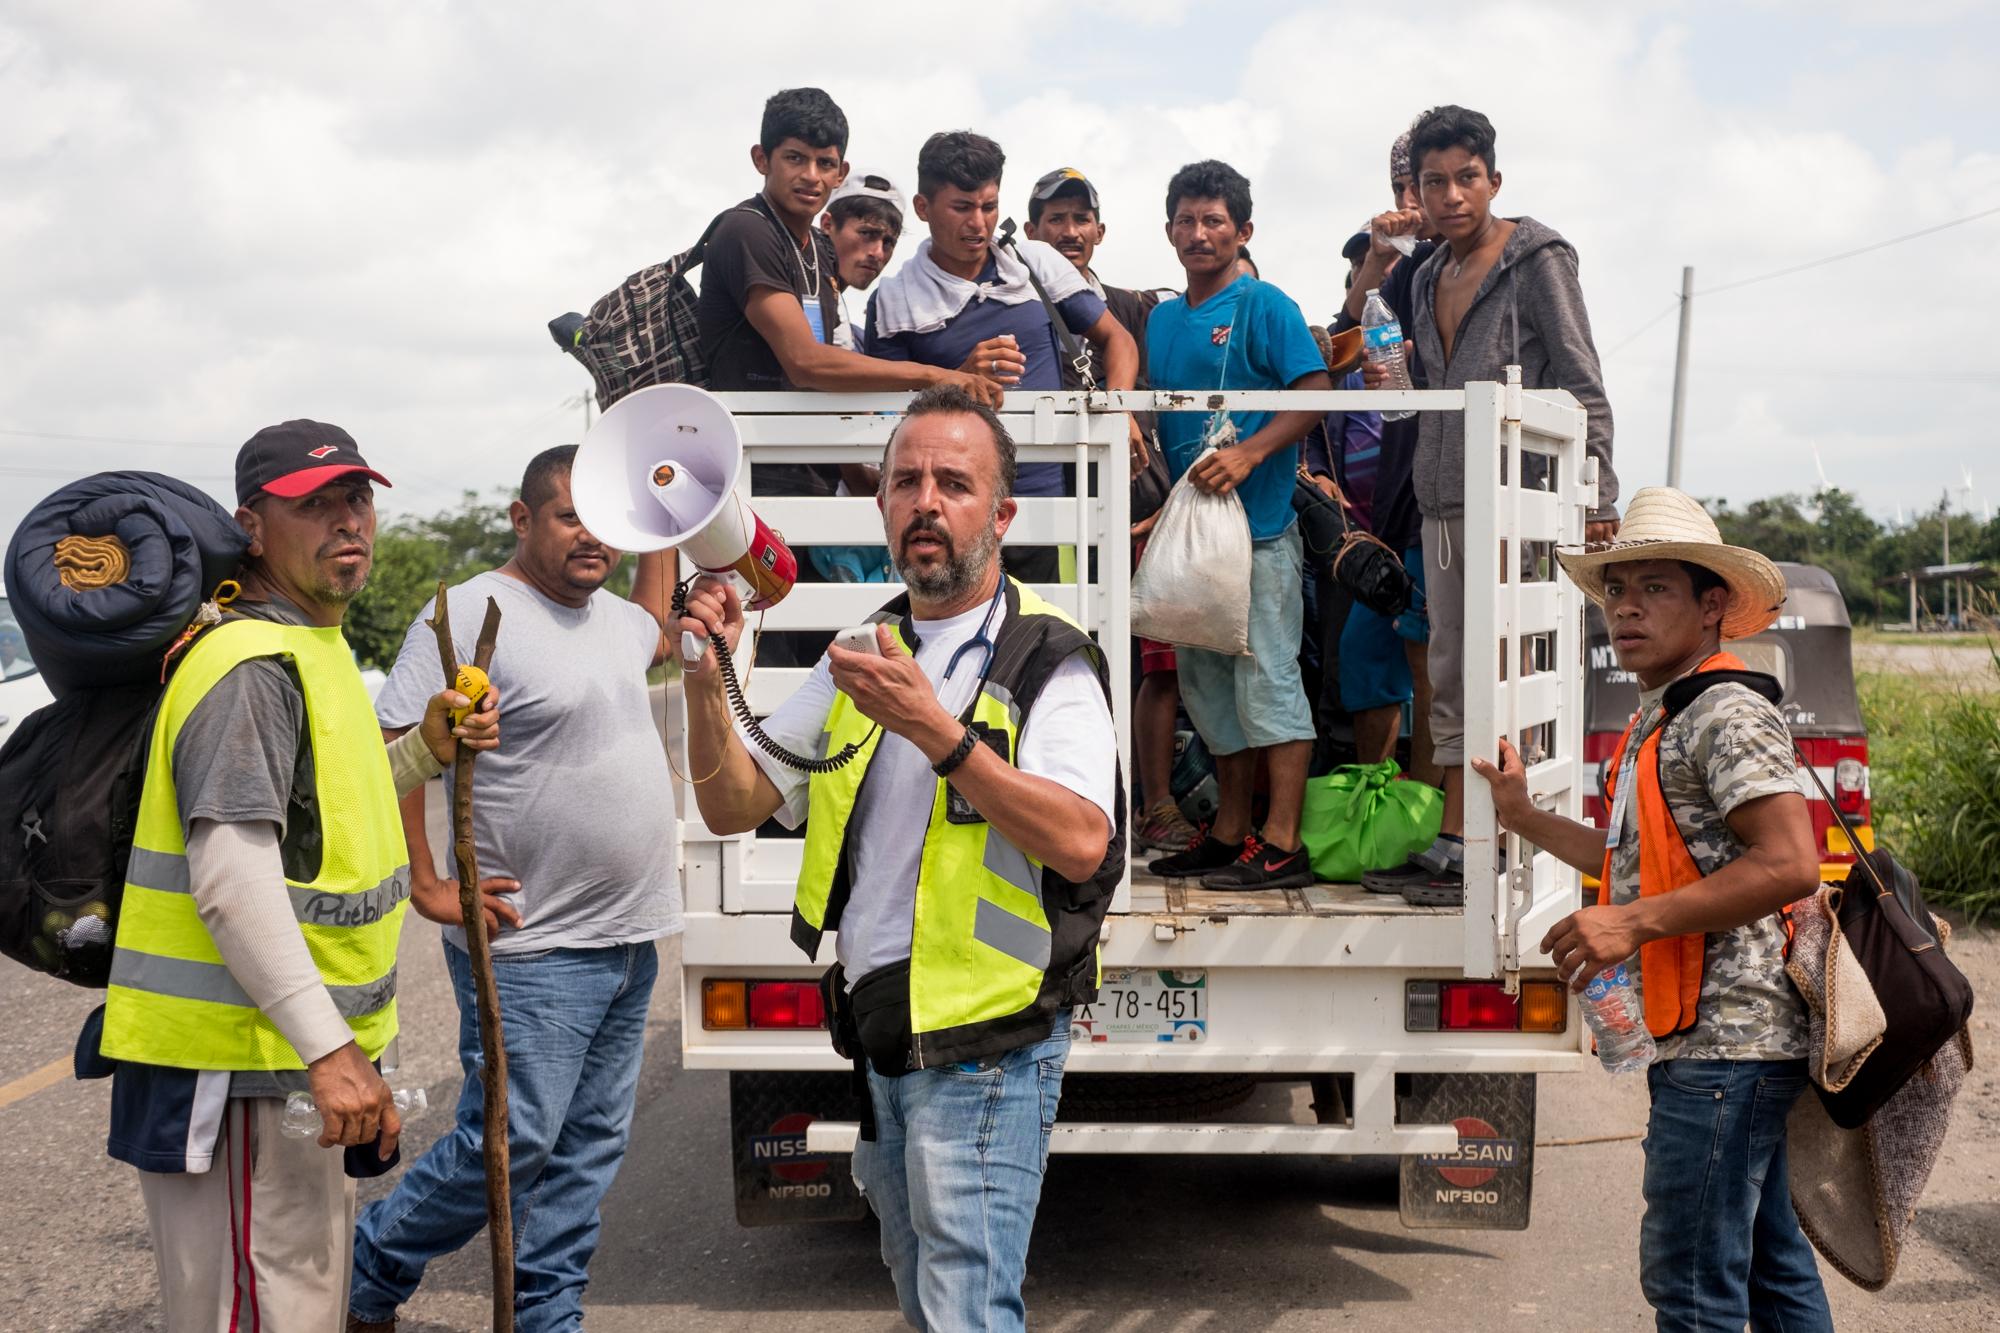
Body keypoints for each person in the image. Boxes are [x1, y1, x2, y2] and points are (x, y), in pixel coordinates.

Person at [678, 384, 1123, 1332]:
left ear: (1000, 515)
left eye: (954, 483)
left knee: (964, 1305)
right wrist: (703, 673)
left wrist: (938, 731)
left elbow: (1086, 839)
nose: (926, 501)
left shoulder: (1050, 657)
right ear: (879, 503)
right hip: (885, 1029)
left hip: (989, 1037)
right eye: (905, 480)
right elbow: (731, 803)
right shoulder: (861, 649)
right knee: (927, 1301)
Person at [93, 422, 499, 1331]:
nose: (346, 521)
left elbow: (309, 823)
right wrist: (331, 1051)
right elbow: (232, 876)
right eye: (312, 504)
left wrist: (423, 752)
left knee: (301, 1301)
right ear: (251, 526)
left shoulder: (314, 650)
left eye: (356, 498)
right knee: (255, 1311)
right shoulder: (249, 665)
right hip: (237, 1069)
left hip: (283, 1061)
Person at [1471, 487, 1830, 1331]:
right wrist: (1526, 817)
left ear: (1713, 607)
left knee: (1693, 1290)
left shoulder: (1724, 710)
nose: (1626, 609)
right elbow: (1634, 864)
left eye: (1655, 589)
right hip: (1719, 1050)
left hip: (1729, 1050)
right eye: (1617, 590)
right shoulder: (1665, 710)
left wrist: (1627, 924)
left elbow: (1790, 862)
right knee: (1772, 1275)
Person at [347, 447, 679, 1333]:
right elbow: (393, 746)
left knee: (590, 1147)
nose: (588, 535)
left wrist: (665, 511)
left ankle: (548, 1314)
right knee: (513, 1138)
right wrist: (428, 881)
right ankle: (370, 1264)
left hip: (627, 935)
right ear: (521, 518)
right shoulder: (465, 614)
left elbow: (656, 620)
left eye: (602, 518)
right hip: (529, 943)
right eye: (569, 515)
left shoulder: (613, 617)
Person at [1387, 105, 1621, 902]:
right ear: (1415, 193)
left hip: (1520, 503)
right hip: (1444, 501)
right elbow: (1424, 393)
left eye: (1465, 178)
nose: (1451, 196)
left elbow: (1582, 379)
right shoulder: (1424, 275)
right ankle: (1458, 835)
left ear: (1494, 179)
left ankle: (1496, 844)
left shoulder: (1537, 259)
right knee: (1450, 674)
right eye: (1434, 183)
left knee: (1509, 673)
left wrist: (1599, 495)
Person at [1142, 160, 1332, 890]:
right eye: (1186, 220)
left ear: (1242, 230)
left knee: (1268, 680)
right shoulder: (1161, 318)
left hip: (1258, 531)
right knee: (1206, 683)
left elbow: (1316, 392)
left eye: (1214, 220)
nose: (1199, 233)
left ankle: (1281, 842)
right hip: (1193, 538)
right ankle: (1229, 830)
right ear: (1169, 232)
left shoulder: (1266, 304)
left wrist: (1252, 452)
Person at [864, 130, 1143, 583]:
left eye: (989, 206)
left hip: (1047, 506)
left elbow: (1119, 341)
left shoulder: (1034, 262)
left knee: (1049, 640)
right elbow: (885, 415)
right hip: (950, 513)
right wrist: (955, 378)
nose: (979, 223)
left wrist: (1118, 406)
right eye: (962, 207)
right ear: (922, 208)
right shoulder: (895, 298)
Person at [1022, 165, 1194, 849]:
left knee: (1157, 664)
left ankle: (1154, 804)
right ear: (1032, 232)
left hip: (1141, 506)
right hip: (1060, 512)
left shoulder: (1134, 307)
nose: (1069, 232)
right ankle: (1076, 806)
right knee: (1071, 661)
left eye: (1079, 219)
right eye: (1054, 220)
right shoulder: (1018, 302)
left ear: (1100, 230)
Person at [1336, 131, 1443, 795]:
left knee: (1437, 668)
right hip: (1394, 501)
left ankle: (1433, 817)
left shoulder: (1480, 262)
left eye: (1427, 183)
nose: (1416, 199)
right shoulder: (1402, 267)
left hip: (1449, 492)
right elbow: (1346, 340)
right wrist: (1380, 257)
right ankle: (1384, 802)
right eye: (1405, 185)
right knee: (1375, 654)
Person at [820, 168, 906, 345]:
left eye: (888, 242)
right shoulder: (790, 283)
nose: (878, 253)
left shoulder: (857, 340)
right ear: (827, 225)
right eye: (867, 233)